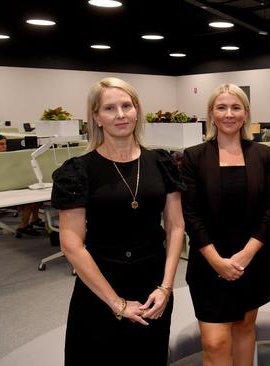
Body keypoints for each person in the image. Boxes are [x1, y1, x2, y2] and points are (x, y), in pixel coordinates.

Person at [51, 77, 185, 365]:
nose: (121, 115)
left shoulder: (161, 163)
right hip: (100, 285)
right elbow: (71, 244)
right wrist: (116, 303)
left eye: (127, 105)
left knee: (149, 356)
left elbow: (175, 227)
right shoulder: (78, 171)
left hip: (153, 284)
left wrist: (166, 287)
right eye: (110, 108)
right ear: (96, 117)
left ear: (137, 110)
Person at [181, 83, 270, 366]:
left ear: (245, 113)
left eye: (236, 107)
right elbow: (190, 214)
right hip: (209, 261)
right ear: (211, 114)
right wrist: (217, 261)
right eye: (222, 107)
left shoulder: (262, 154)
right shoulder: (193, 156)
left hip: (253, 259)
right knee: (215, 342)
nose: (229, 114)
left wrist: (246, 255)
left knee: (243, 328)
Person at [0, 134, 43, 236]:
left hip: (10, 186)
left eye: (5, 144)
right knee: (31, 200)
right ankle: (23, 226)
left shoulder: (7, 157)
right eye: (1, 144)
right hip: (0, 190)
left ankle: (34, 219)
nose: (5, 147)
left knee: (36, 194)